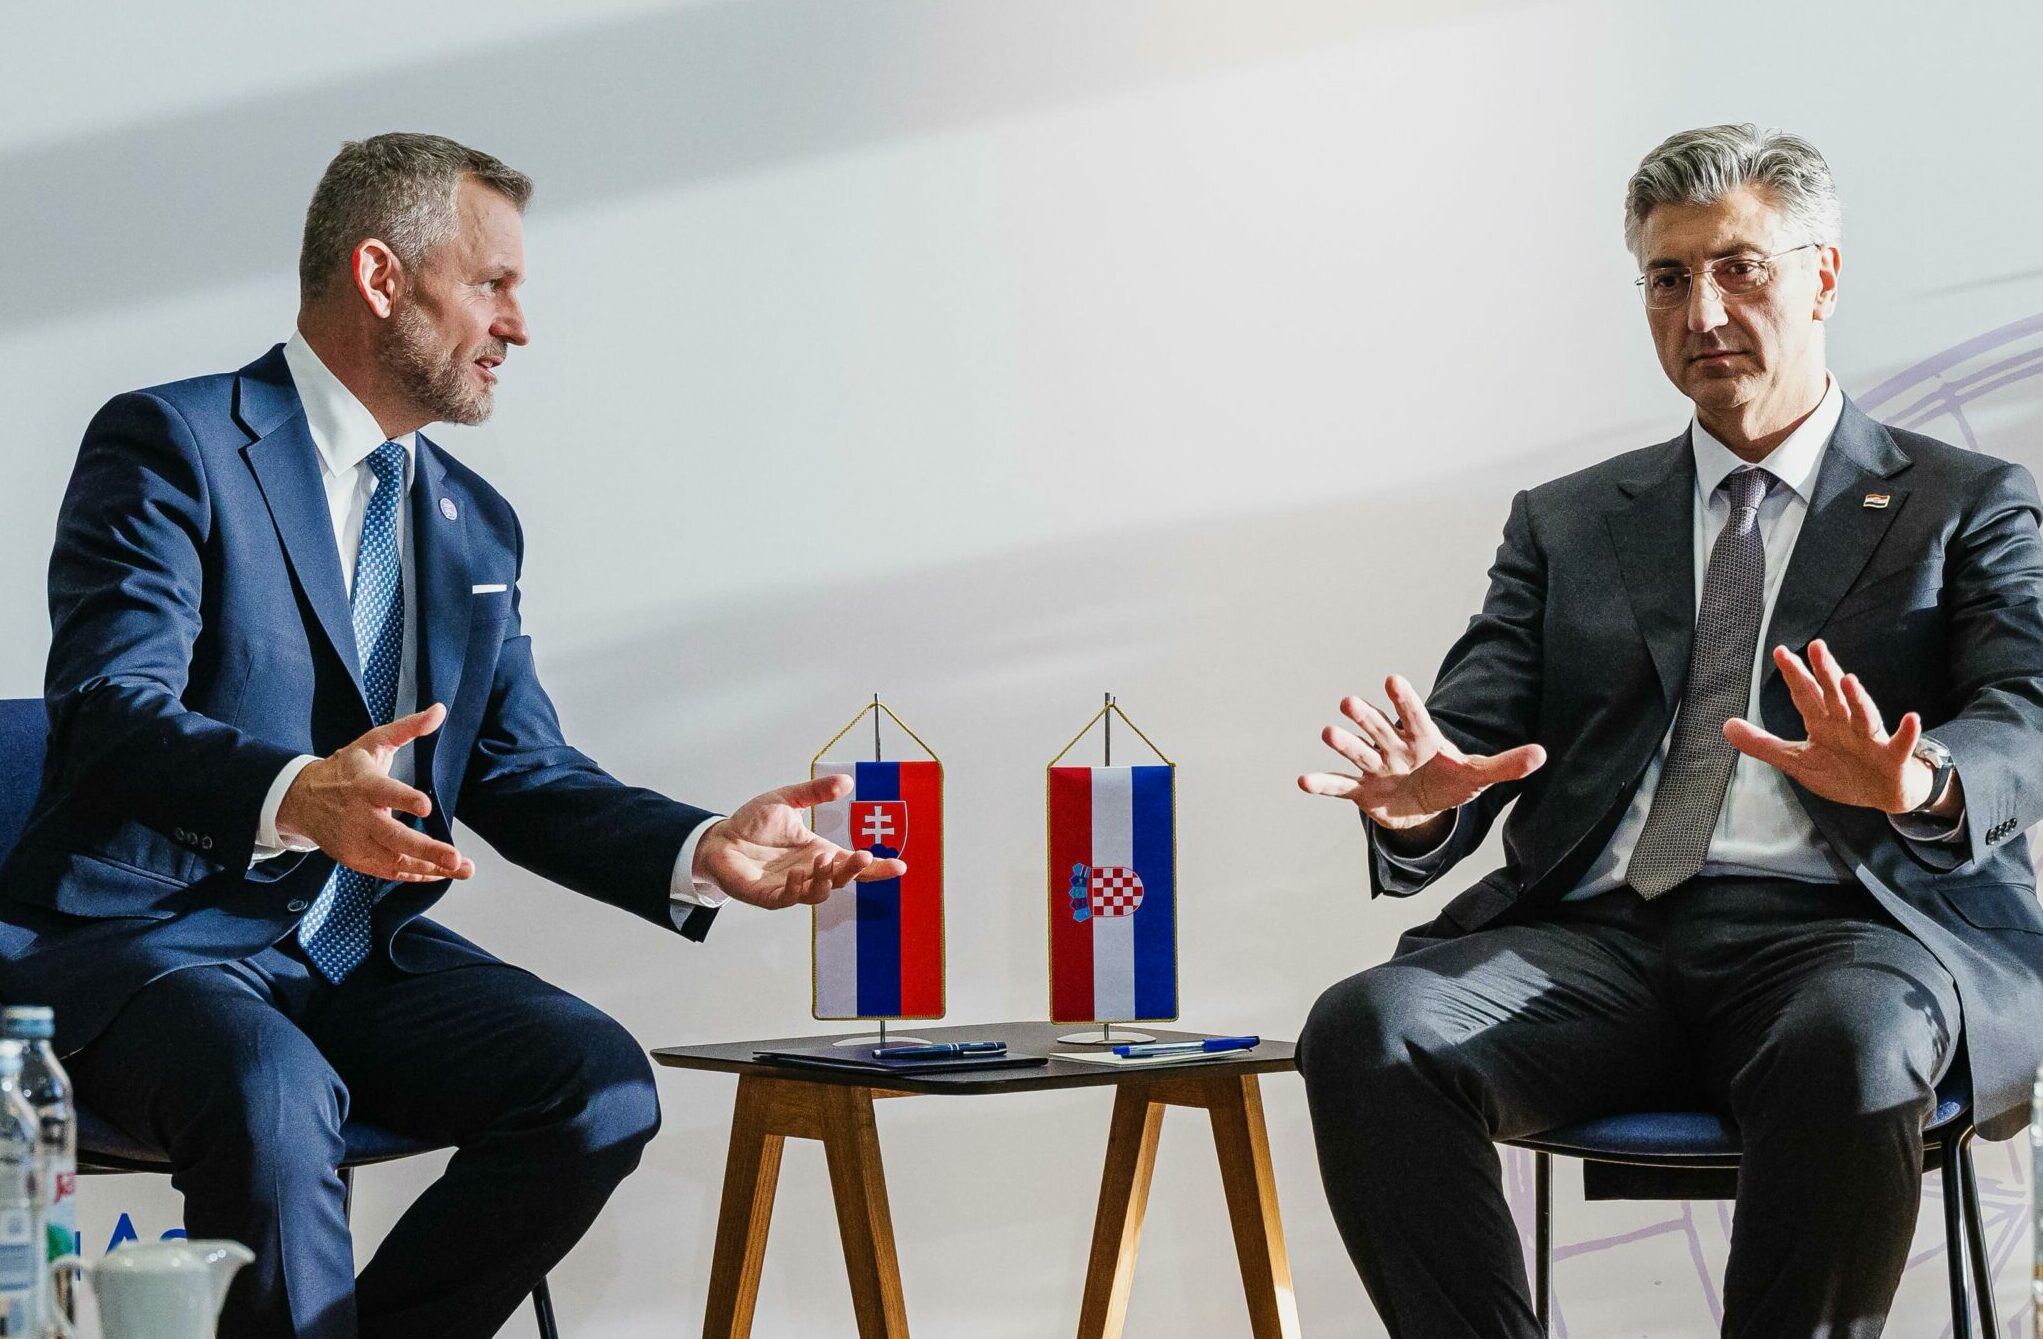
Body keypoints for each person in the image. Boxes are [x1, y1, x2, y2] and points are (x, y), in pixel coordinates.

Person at [0, 132, 903, 1339]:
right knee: (274, 1092)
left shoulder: (474, 522)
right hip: (152, 945)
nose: (518, 325)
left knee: (595, 1084)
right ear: (382, 277)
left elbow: (518, 768)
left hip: (352, 955)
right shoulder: (175, 443)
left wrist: (699, 848)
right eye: (492, 284)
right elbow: (109, 707)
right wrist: (292, 793)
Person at [1295, 123, 2043, 1339]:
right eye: (1668, 277)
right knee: (1367, 1029)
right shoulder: (1571, 521)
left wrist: (1922, 779)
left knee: (1851, 1045)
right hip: (1603, 947)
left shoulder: (1961, 503)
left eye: (1739, 268)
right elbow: (1466, 735)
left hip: (1850, 936)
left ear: (1823, 277)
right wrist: (1420, 805)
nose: (1703, 312)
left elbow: (2028, 711)